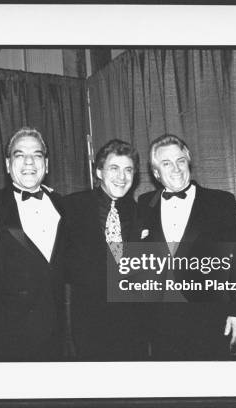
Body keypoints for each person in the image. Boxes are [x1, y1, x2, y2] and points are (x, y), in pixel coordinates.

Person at [136, 134, 236, 360]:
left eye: (180, 161)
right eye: (166, 163)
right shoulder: (144, 203)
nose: (176, 168)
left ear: (189, 163)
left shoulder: (221, 201)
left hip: (209, 315)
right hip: (161, 318)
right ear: (156, 173)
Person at [63, 139, 149, 360]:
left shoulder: (143, 213)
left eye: (128, 170)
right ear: (99, 172)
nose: (122, 177)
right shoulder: (71, 207)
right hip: (87, 324)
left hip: (134, 328)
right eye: (114, 168)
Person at [0, 127, 65, 361]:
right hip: (8, 337)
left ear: (46, 163)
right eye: (19, 154)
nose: (29, 162)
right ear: (7, 164)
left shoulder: (65, 205)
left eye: (36, 154)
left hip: (59, 336)